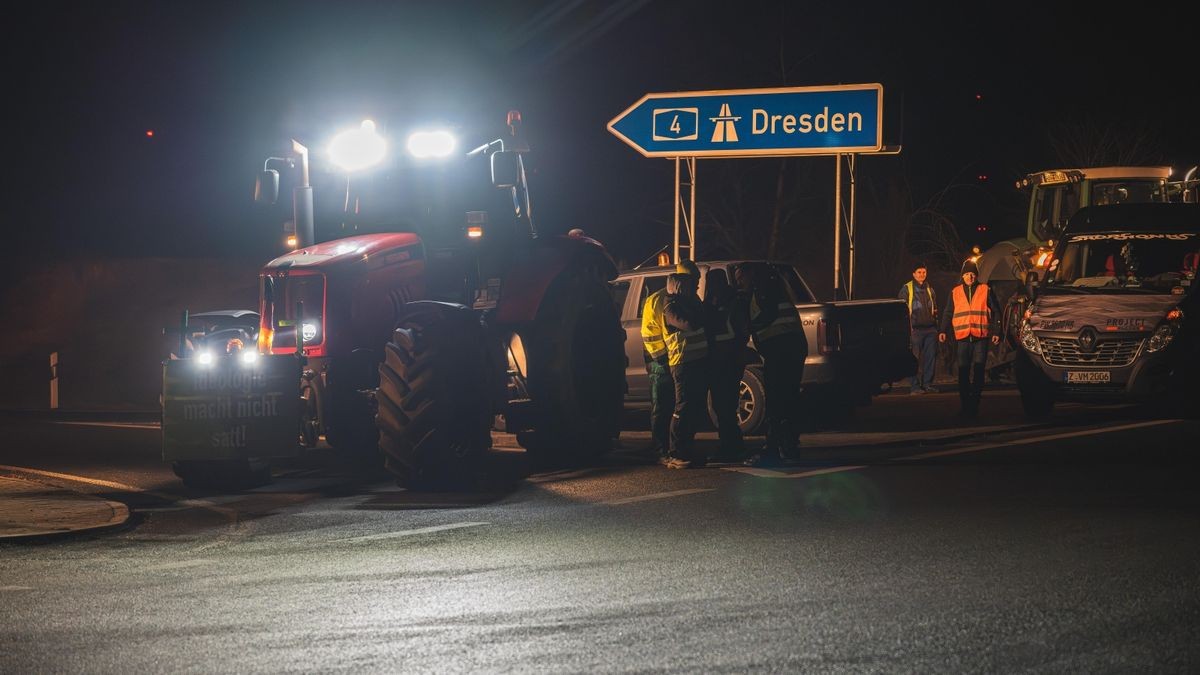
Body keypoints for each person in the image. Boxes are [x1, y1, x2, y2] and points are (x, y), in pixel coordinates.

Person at [735, 264, 806, 467]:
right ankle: (788, 447)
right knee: (788, 399)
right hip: (790, 349)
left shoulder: (763, 290)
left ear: (751, 275)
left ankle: (775, 449)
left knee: (777, 400)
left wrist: (749, 326)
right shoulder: (771, 288)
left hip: (781, 350)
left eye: (741, 278)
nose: (739, 283)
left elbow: (767, 315)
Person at [938, 259, 1001, 418]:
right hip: (963, 338)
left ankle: (975, 404)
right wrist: (943, 330)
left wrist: (997, 332)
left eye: (972, 274)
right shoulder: (955, 292)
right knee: (963, 373)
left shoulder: (985, 289)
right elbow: (947, 312)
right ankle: (965, 405)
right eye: (967, 274)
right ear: (962, 276)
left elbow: (997, 312)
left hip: (981, 337)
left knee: (979, 372)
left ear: (976, 275)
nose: (970, 277)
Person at [662, 270, 709, 469]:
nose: (696, 288)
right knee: (683, 407)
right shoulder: (671, 306)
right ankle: (676, 453)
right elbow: (691, 323)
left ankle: (687, 449)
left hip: (697, 361)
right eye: (691, 285)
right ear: (680, 287)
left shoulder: (689, 303)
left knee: (695, 407)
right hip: (682, 363)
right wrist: (696, 309)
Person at [703, 267, 747, 462]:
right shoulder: (730, 301)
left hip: (725, 361)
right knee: (725, 407)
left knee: (724, 407)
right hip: (728, 360)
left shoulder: (725, 304)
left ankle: (730, 446)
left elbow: (737, 332)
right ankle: (733, 444)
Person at [640, 273, 674, 460]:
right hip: (662, 361)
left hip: (665, 360)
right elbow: (650, 334)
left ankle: (663, 446)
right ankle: (660, 447)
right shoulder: (661, 300)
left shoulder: (661, 299)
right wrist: (661, 359)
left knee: (664, 405)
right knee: (662, 405)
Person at [898, 262, 939, 394]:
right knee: (914, 359)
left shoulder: (930, 289)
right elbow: (901, 310)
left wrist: (936, 327)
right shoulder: (906, 289)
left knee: (930, 358)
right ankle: (914, 387)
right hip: (914, 330)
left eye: (924, 272)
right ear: (913, 274)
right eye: (919, 272)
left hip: (930, 329)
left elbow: (935, 309)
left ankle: (927, 384)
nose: (922, 274)